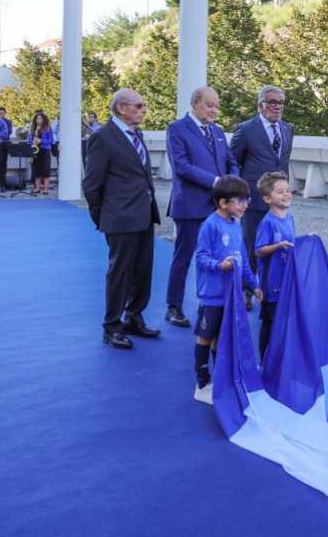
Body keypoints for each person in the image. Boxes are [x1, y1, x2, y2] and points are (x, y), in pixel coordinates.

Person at [81, 89, 162, 350]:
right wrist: (103, 216)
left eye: (143, 105)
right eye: (139, 105)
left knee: (143, 271)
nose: (143, 109)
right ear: (121, 108)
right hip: (120, 217)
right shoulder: (103, 137)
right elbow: (92, 184)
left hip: (144, 214)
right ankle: (112, 326)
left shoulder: (136, 134)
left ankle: (134, 317)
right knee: (120, 273)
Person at [164, 86, 240, 328]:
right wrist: (218, 182)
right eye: (210, 105)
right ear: (195, 102)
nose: (214, 110)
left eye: (216, 105)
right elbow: (182, 166)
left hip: (218, 208)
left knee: (219, 257)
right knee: (184, 257)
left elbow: (230, 160)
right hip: (190, 206)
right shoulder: (177, 129)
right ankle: (173, 306)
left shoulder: (217, 131)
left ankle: (212, 302)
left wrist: (232, 181)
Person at [192, 175, 262, 405]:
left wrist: (254, 284)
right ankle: (202, 384)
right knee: (205, 337)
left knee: (220, 338)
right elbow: (201, 257)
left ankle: (219, 379)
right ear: (223, 202)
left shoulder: (236, 227)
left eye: (247, 200)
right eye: (240, 201)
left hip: (230, 297)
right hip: (212, 295)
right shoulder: (210, 225)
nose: (245, 205)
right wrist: (219, 265)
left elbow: (241, 259)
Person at [230, 85, 292, 272]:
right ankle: (246, 292)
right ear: (260, 105)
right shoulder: (246, 129)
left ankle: (271, 290)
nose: (277, 106)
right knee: (252, 247)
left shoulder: (288, 129)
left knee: (278, 245)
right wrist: (239, 194)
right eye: (272, 102)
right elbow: (232, 162)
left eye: (280, 102)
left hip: (279, 201)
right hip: (254, 199)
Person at [253, 171, 295, 360]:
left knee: (286, 320)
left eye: (287, 190)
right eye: (280, 192)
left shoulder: (290, 218)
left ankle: (282, 358)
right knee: (270, 322)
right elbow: (259, 250)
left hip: (287, 280)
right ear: (268, 198)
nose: (286, 194)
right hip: (271, 284)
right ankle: (264, 358)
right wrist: (278, 246)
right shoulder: (267, 223)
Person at [27, 111, 55, 195]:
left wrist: (41, 140)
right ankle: (37, 188)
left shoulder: (48, 128)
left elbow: (51, 140)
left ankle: (46, 189)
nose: (38, 120)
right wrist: (30, 143)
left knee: (45, 169)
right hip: (34, 150)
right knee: (36, 169)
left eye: (40, 118)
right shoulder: (32, 129)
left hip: (44, 150)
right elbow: (29, 140)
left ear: (44, 120)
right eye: (37, 118)